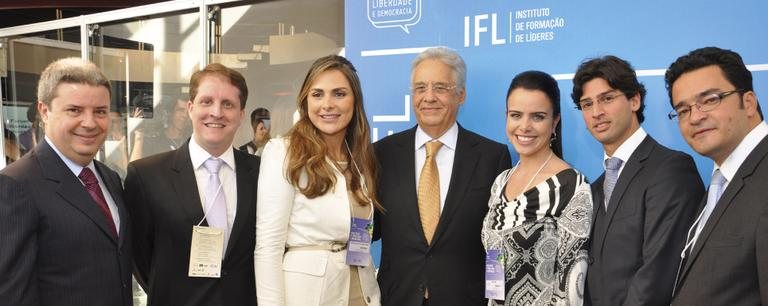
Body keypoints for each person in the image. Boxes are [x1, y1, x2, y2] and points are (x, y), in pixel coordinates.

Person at [374, 47, 512, 306]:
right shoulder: (381, 153)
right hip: (397, 297)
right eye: (420, 88)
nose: (429, 97)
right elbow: (369, 227)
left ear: (461, 95)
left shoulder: (492, 157)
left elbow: (498, 243)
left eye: (440, 88)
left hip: (466, 299)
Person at [571, 55, 704, 306]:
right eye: (586, 104)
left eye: (607, 99)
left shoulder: (670, 168)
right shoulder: (594, 188)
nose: (596, 112)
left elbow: (658, 273)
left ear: (634, 100)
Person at [124, 63, 259, 306]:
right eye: (206, 101)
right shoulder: (146, 176)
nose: (216, 112)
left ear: (241, 114)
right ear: (190, 108)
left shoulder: (262, 173)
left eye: (228, 104)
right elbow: (139, 258)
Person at [0, 57, 132, 305]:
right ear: (44, 111)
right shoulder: (15, 185)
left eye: (100, 111)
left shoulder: (109, 178)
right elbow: (12, 295)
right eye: (75, 110)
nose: (90, 123)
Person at [255, 55, 381, 305]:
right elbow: (268, 247)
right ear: (305, 101)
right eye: (317, 94)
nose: (327, 104)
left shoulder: (360, 156)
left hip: (362, 290)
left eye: (339, 94)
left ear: (355, 101)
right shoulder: (284, 151)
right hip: (309, 294)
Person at [666, 47, 768, 305]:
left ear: (748, 102)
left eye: (710, 99)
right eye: (683, 110)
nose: (695, 117)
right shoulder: (721, 182)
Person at [482, 71, 592, 305]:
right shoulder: (500, 182)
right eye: (516, 115)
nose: (524, 126)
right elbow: (494, 271)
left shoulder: (572, 187)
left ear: (555, 122)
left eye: (538, 117)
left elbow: (570, 290)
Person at [129, 95, 192, 161]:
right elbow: (134, 168)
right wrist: (139, 133)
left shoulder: (191, 141)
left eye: (188, 112)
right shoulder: (153, 141)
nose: (185, 115)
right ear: (170, 113)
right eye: (180, 110)